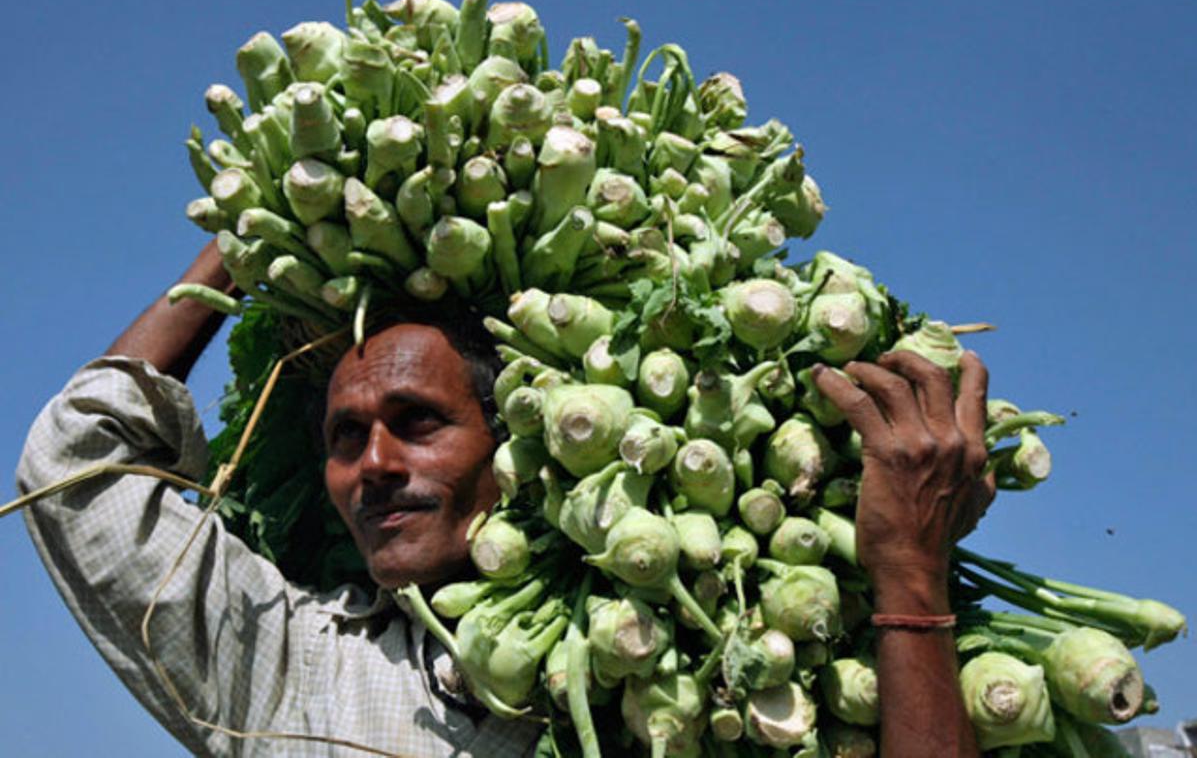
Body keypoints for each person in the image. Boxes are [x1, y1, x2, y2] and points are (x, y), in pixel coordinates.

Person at [18, 239, 993, 757]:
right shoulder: (295, 667)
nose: (376, 462)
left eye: (419, 420)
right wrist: (237, 245)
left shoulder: (682, 684)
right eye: (345, 437)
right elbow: (77, 461)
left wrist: (908, 564)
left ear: (516, 446)